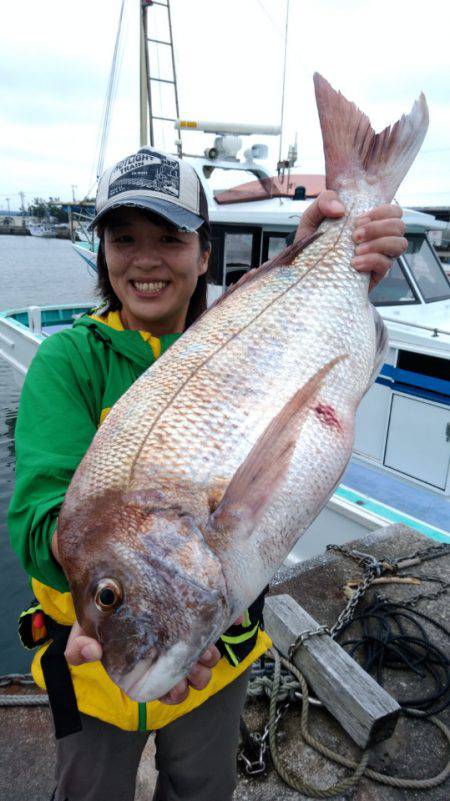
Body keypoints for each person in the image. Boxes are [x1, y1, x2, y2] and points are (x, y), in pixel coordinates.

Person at [8, 145, 407, 801]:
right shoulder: (68, 360)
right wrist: (107, 588)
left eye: (168, 237)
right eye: (123, 236)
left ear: (203, 252)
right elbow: (35, 517)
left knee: (202, 785)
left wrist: (334, 251)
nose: (144, 257)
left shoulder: (241, 320)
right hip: (93, 671)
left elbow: (317, 344)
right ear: (102, 249)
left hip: (217, 659)